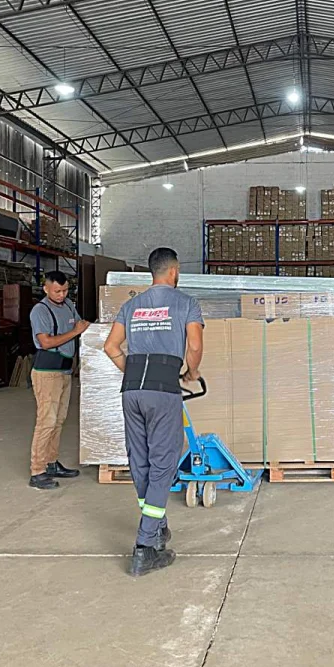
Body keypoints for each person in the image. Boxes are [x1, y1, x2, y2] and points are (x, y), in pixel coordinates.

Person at [104, 247, 204, 578]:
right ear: (174, 271)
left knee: (141, 462)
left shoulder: (131, 305)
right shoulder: (186, 303)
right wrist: (191, 372)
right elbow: (194, 345)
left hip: (132, 390)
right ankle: (144, 547)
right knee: (162, 465)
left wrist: (132, 373)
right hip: (163, 391)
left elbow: (110, 346)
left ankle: (157, 526)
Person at [29, 270, 90, 490]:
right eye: (57, 291)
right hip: (47, 372)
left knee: (58, 420)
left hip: (64, 370)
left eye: (65, 290)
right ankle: (37, 471)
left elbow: (81, 325)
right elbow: (45, 342)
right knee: (46, 420)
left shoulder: (68, 305)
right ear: (46, 288)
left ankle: (51, 462)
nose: (61, 295)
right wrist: (75, 332)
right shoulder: (40, 310)